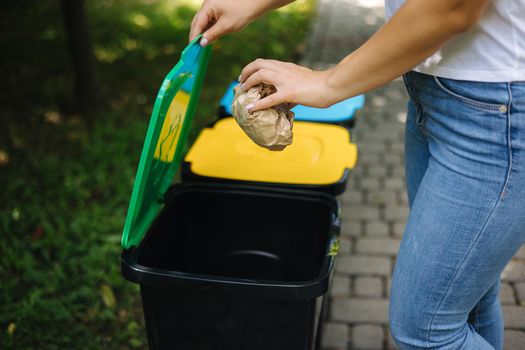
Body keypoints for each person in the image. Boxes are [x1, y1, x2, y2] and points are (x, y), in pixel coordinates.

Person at [190, 0, 525, 349]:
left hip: (496, 114)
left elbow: (453, 6)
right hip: (437, 93)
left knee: (427, 331)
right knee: (468, 300)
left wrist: (329, 84)